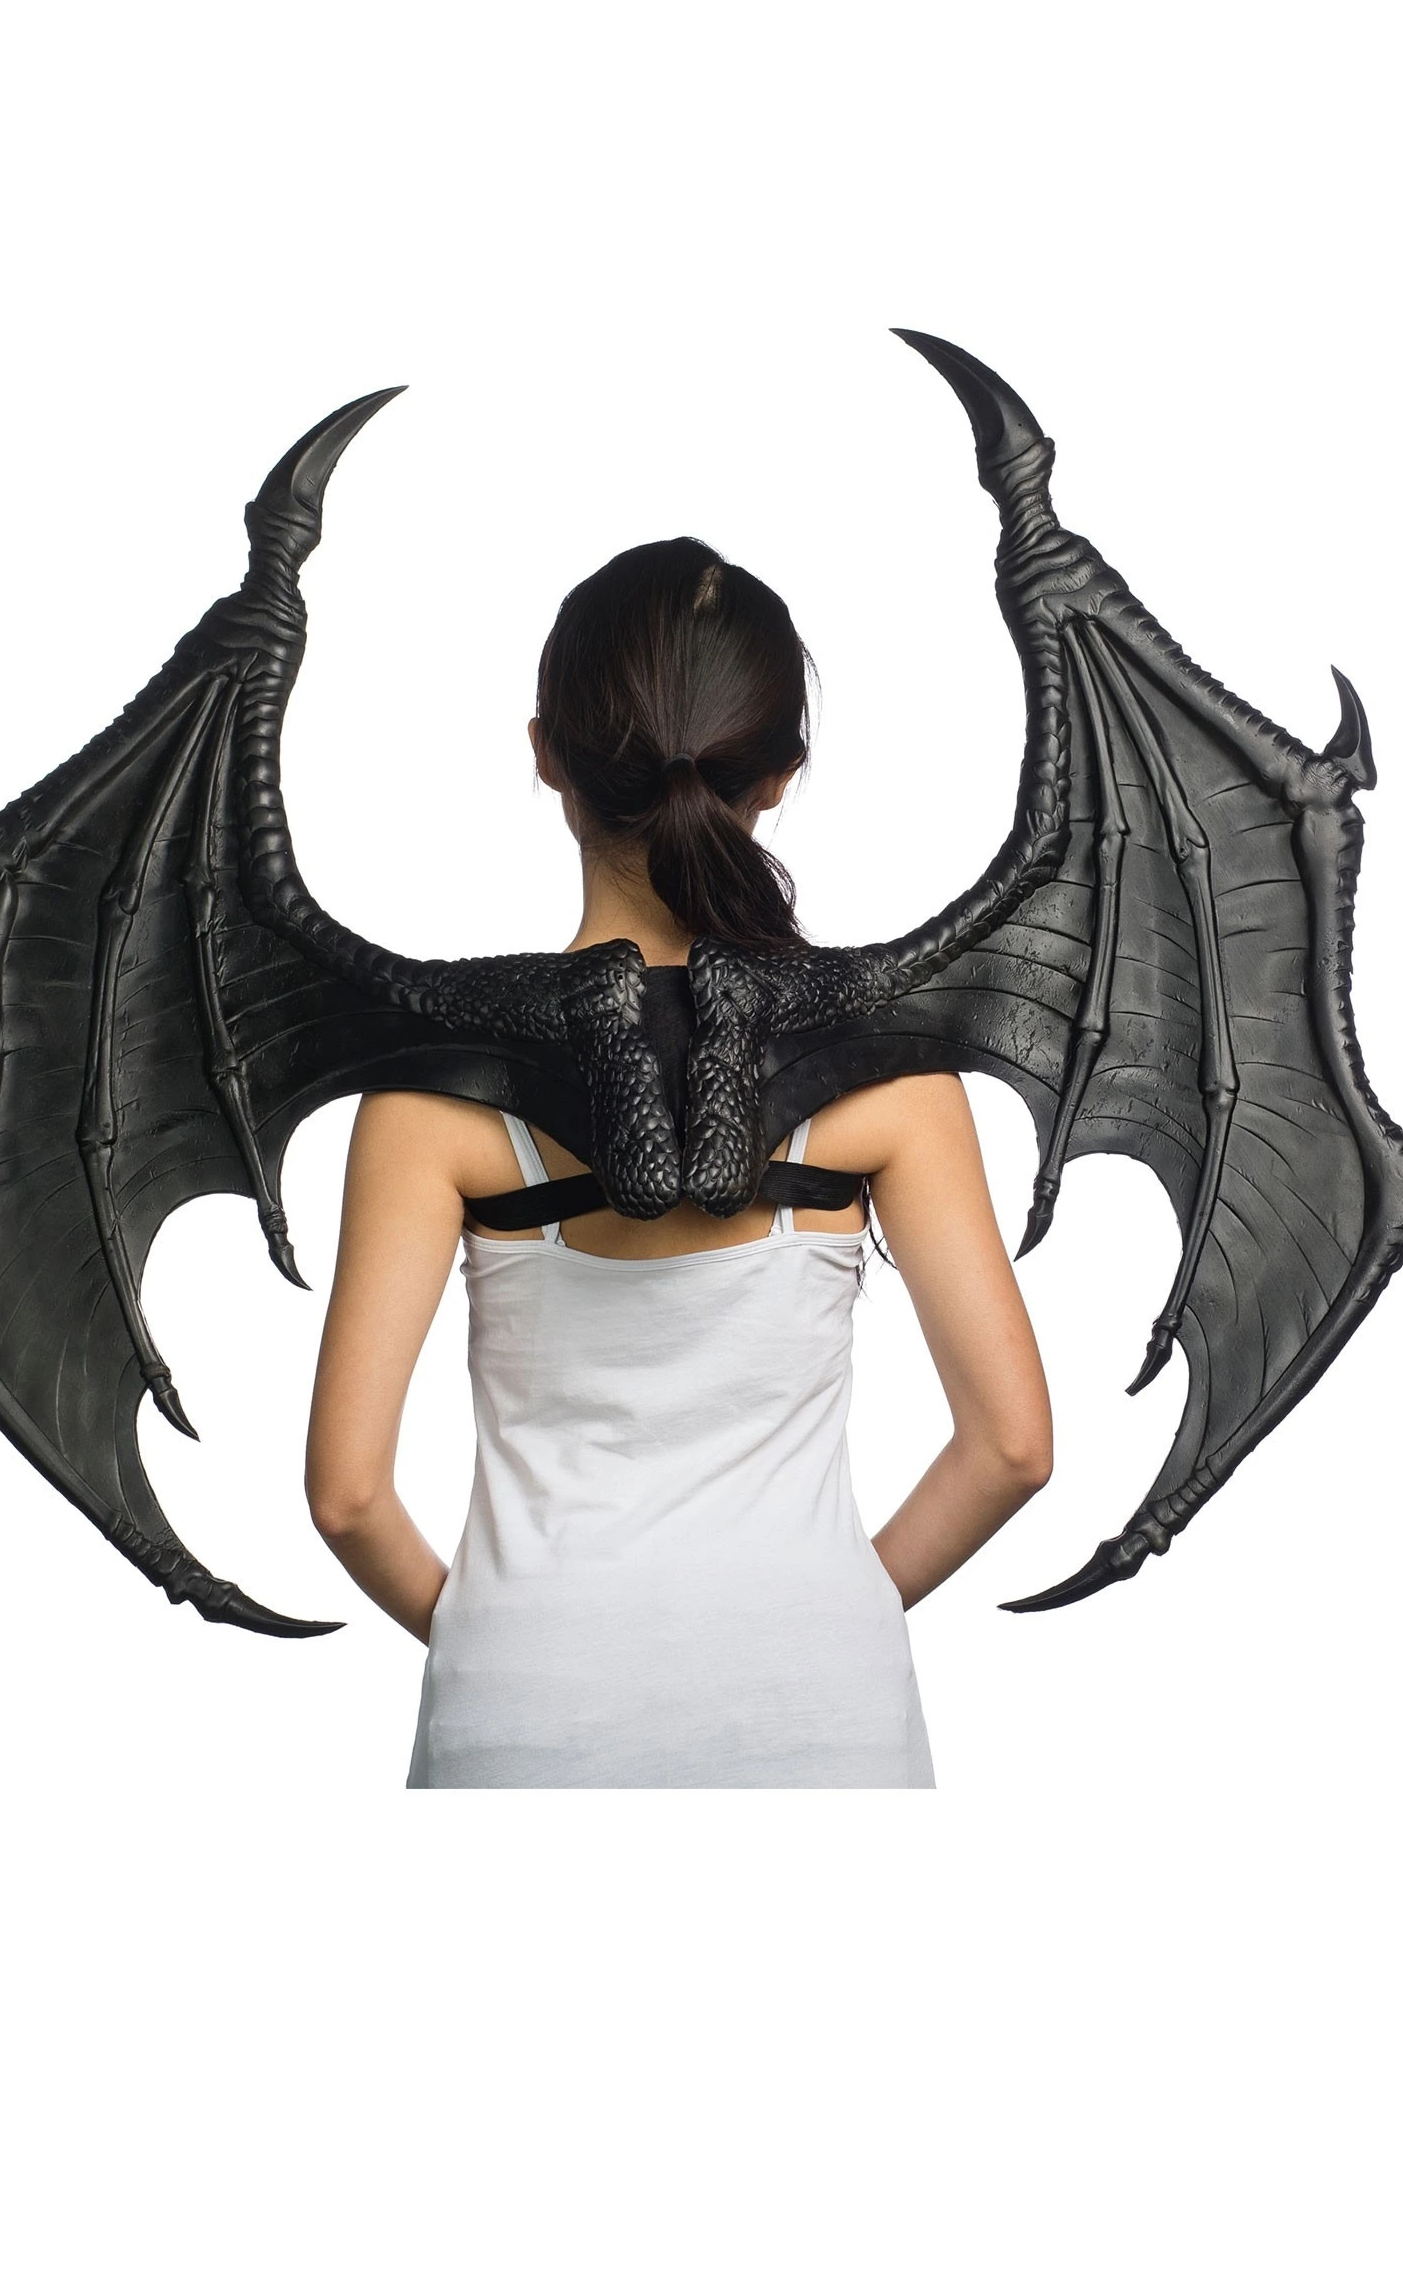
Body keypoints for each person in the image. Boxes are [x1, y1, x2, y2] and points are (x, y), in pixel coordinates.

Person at [302, 537, 1054, 1787]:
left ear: (546, 754)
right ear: (781, 773)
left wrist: (504, 1642)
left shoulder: (431, 1095)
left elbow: (346, 1496)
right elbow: (1013, 1447)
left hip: (522, 1710)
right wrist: (834, 1614)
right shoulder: (891, 1080)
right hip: (822, 1705)